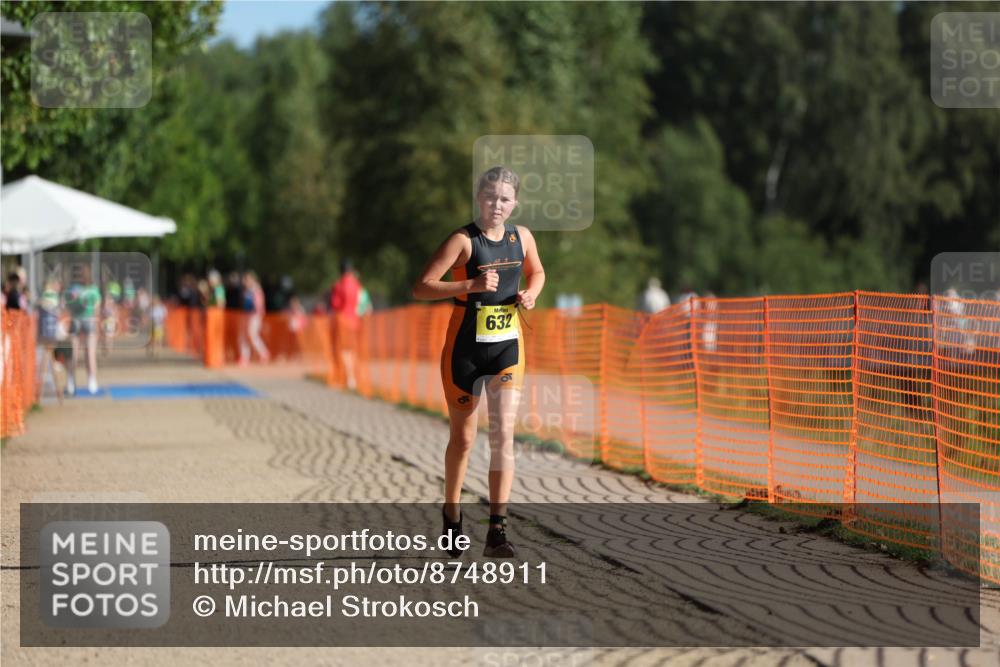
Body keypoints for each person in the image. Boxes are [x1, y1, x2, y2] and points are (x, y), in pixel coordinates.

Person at [412, 166, 545, 558]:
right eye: (490, 197)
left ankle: (497, 531)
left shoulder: (522, 238)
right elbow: (420, 287)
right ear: (479, 199)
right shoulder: (463, 241)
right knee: (464, 439)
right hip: (464, 352)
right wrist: (468, 285)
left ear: (515, 203)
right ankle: (452, 515)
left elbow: (537, 271)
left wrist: (532, 293)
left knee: (503, 434)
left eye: (505, 198)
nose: (497, 205)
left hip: (507, 349)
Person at [65, 265, 101, 395]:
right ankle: (92, 381)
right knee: (89, 353)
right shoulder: (93, 289)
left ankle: (71, 381)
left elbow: (67, 305)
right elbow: (97, 306)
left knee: (74, 353)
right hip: (88, 320)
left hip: (76, 320)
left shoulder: (72, 289)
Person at [330, 259, 363, 390]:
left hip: (342, 320)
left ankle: (349, 378)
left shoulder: (339, 285)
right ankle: (352, 377)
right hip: (355, 320)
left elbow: (335, 304)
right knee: (352, 349)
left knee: (344, 350)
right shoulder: (357, 284)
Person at [239, 271, 269, 365]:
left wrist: (258, 313)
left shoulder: (256, 289)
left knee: (252, 334)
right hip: (246, 314)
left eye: (247, 279)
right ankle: (245, 357)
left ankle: (263, 353)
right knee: (243, 336)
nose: (245, 281)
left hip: (254, 315)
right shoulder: (246, 290)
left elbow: (259, 303)